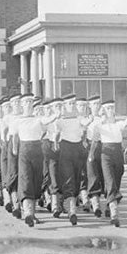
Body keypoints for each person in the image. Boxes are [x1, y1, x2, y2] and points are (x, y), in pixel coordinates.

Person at [56, 94, 89, 225]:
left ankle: (68, 203)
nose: (72, 106)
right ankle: (71, 210)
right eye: (69, 104)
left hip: (78, 149)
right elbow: (55, 130)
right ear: (64, 106)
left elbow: (85, 125)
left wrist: (89, 121)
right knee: (68, 179)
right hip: (66, 149)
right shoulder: (60, 119)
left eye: (73, 104)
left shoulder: (79, 118)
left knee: (76, 179)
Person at [17, 95, 49, 226]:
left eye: (30, 102)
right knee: (26, 179)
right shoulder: (18, 120)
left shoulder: (38, 119)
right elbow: (13, 135)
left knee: (36, 181)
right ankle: (28, 213)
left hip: (37, 149)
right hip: (24, 149)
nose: (29, 104)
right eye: (26, 102)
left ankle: (32, 214)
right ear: (22, 105)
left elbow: (45, 130)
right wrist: (14, 149)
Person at [98, 99, 125, 225]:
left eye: (112, 108)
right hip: (106, 153)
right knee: (110, 181)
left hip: (118, 152)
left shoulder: (119, 123)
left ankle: (110, 204)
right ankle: (114, 213)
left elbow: (126, 125)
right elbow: (93, 136)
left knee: (117, 179)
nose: (110, 111)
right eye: (107, 108)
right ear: (103, 110)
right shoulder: (100, 123)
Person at [85, 95, 104, 217]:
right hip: (90, 147)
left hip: (103, 147)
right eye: (94, 104)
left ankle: (106, 204)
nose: (96, 106)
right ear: (89, 106)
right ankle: (95, 204)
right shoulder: (86, 119)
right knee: (92, 176)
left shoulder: (104, 118)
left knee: (103, 176)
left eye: (98, 104)